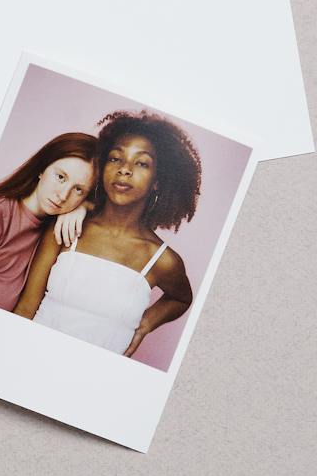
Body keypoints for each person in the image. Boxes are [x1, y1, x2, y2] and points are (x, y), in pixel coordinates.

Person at [14, 111, 201, 360]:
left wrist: (144, 325)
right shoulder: (67, 229)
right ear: (102, 169)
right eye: (115, 159)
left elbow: (181, 298)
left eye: (141, 163)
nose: (125, 170)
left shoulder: (161, 260)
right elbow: (26, 307)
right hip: (30, 357)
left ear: (158, 180)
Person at [0, 132, 96, 309]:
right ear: (42, 169)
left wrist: (84, 207)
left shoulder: (57, 230)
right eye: (60, 177)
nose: (63, 196)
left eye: (78, 190)